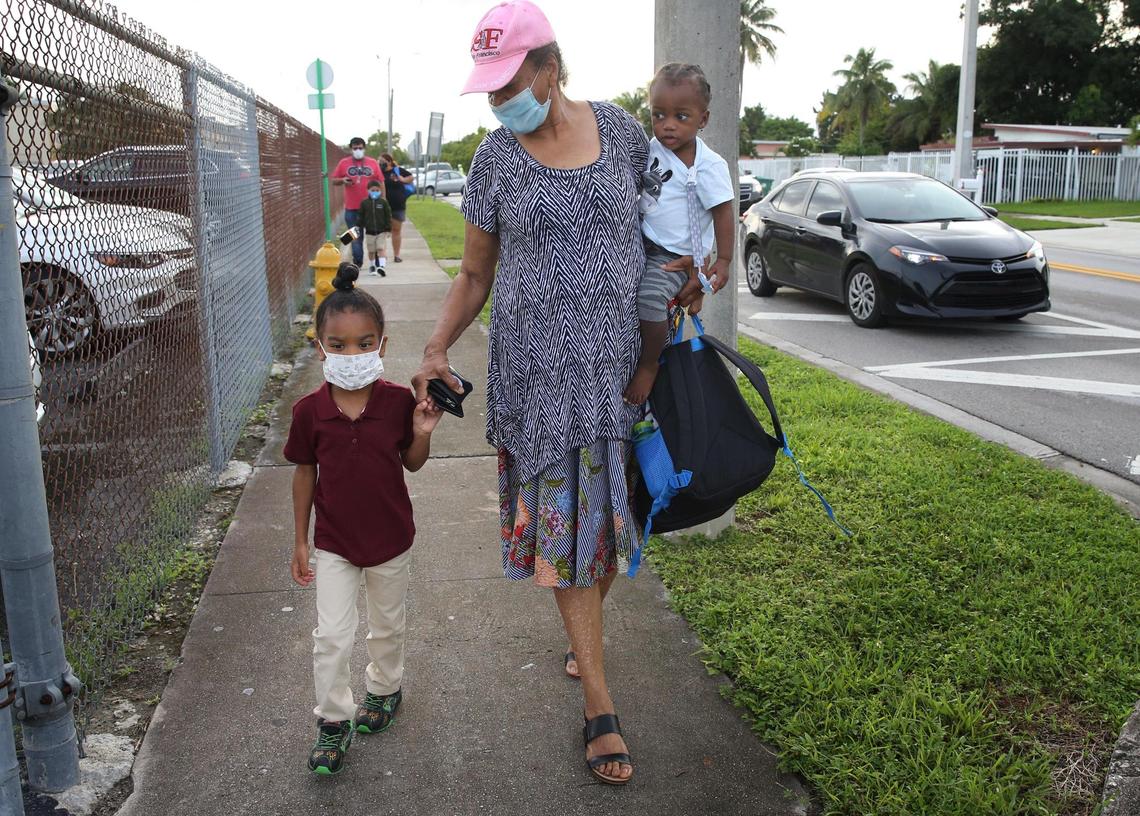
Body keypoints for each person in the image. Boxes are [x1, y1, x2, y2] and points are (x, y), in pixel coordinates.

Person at [412, 0, 700, 787]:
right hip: (539, 377)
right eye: (493, 89)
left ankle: (585, 637)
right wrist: (436, 343)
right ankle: (600, 706)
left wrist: (689, 274)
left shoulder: (623, 133)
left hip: (621, 373)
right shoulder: (495, 160)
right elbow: (475, 272)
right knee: (570, 535)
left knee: (610, 528)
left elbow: (667, 223)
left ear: (552, 67)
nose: (504, 101)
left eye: (512, 82)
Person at [285, 263, 443, 776]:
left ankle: (384, 689)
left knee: (385, 627)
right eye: (338, 344)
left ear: (382, 344)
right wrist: (300, 540)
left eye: (363, 343)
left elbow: (411, 463)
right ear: (320, 347)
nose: (351, 354)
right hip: (333, 541)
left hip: (391, 538)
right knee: (331, 635)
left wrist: (422, 431)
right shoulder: (309, 411)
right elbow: (304, 474)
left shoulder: (398, 401)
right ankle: (333, 721)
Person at [624, 63, 735, 405]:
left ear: (703, 119)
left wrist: (725, 260)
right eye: (659, 115)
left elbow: (723, 213)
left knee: (650, 301)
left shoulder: (709, 166)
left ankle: (648, 365)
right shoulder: (651, 148)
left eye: (681, 117)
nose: (667, 125)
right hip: (643, 241)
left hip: (673, 256)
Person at [331, 138, 384, 266]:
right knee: (356, 238)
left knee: (374, 236)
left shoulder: (372, 163)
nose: (358, 150)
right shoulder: (344, 163)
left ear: (364, 148)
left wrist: (383, 199)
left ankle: (377, 263)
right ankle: (358, 263)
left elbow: (381, 181)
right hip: (352, 208)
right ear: (351, 149)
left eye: (360, 148)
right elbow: (334, 180)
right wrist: (343, 180)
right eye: (355, 148)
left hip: (371, 207)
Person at [380, 153, 414, 262]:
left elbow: (411, 177)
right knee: (382, 232)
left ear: (389, 162)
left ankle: (397, 255)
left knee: (396, 230)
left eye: (383, 162)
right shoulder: (379, 172)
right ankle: (382, 256)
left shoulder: (397, 170)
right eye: (379, 162)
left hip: (398, 206)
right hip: (382, 207)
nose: (381, 164)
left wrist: (402, 180)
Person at [358, 179, 393, 276]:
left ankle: (382, 267)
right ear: (368, 190)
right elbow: (360, 216)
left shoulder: (383, 202)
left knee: (380, 248)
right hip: (369, 232)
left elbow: (388, 216)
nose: (375, 192)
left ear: (380, 191)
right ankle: (372, 265)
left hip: (381, 231)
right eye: (373, 190)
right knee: (371, 251)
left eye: (377, 190)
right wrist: (358, 226)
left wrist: (388, 229)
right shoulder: (364, 203)